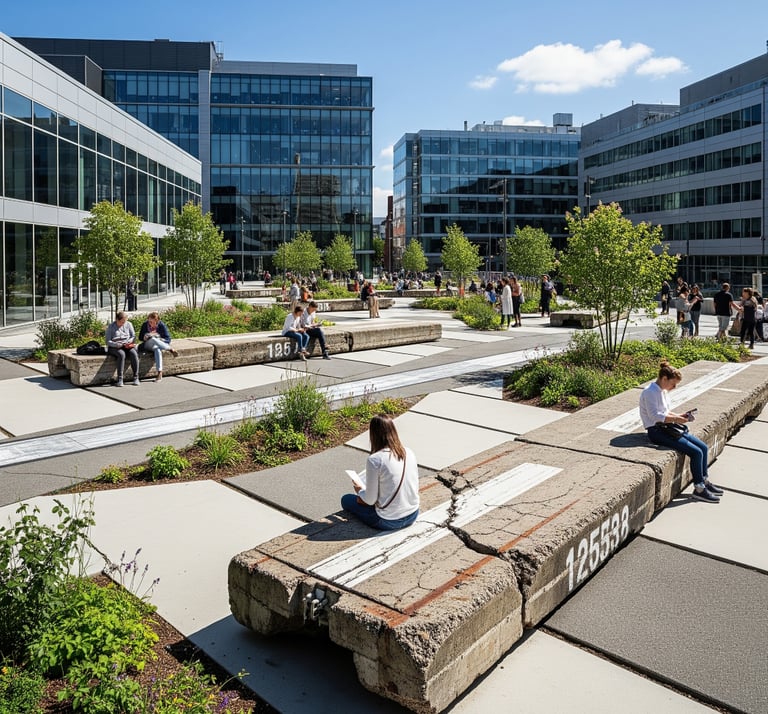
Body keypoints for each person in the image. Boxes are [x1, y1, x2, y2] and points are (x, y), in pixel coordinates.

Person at [639, 361, 723, 503]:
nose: (674, 387)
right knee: (695, 452)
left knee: (702, 447)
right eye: (673, 384)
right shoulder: (649, 392)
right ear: (664, 378)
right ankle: (699, 489)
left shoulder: (662, 391)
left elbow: (665, 411)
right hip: (657, 431)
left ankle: (704, 481)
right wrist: (677, 419)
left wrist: (680, 415)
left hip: (668, 428)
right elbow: (655, 416)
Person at [341, 414, 420, 530]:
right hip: (413, 513)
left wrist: (359, 490)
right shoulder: (409, 452)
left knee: (346, 499)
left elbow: (370, 500)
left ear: (373, 435)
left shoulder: (375, 460)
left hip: (388, 521)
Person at [139, 311, 178, 382]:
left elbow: (168, 339)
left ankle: (159, 373)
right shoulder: (145, 325)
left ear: (157, 321)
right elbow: (140, 338)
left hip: (157, 345)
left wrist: (159, 339)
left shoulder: (161, 325)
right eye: (149, 321)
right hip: (147, 345)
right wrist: (145, 337)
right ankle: (169, 349)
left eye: (152, 322)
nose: (150, 323)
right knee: (153, 339)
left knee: (157, 349)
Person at [105, 311, 140, 387]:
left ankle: (136, 377)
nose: (123, 323)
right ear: (117, 319)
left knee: (134, 353)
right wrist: (116, 344)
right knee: (121, 354)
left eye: (124, 321)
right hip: (115, 346)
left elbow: (133, 336)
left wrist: (129, 341)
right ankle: (120, 379)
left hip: (127, 345)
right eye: (121, 322)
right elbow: (107, 341)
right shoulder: (111, 327)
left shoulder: (129, 324)